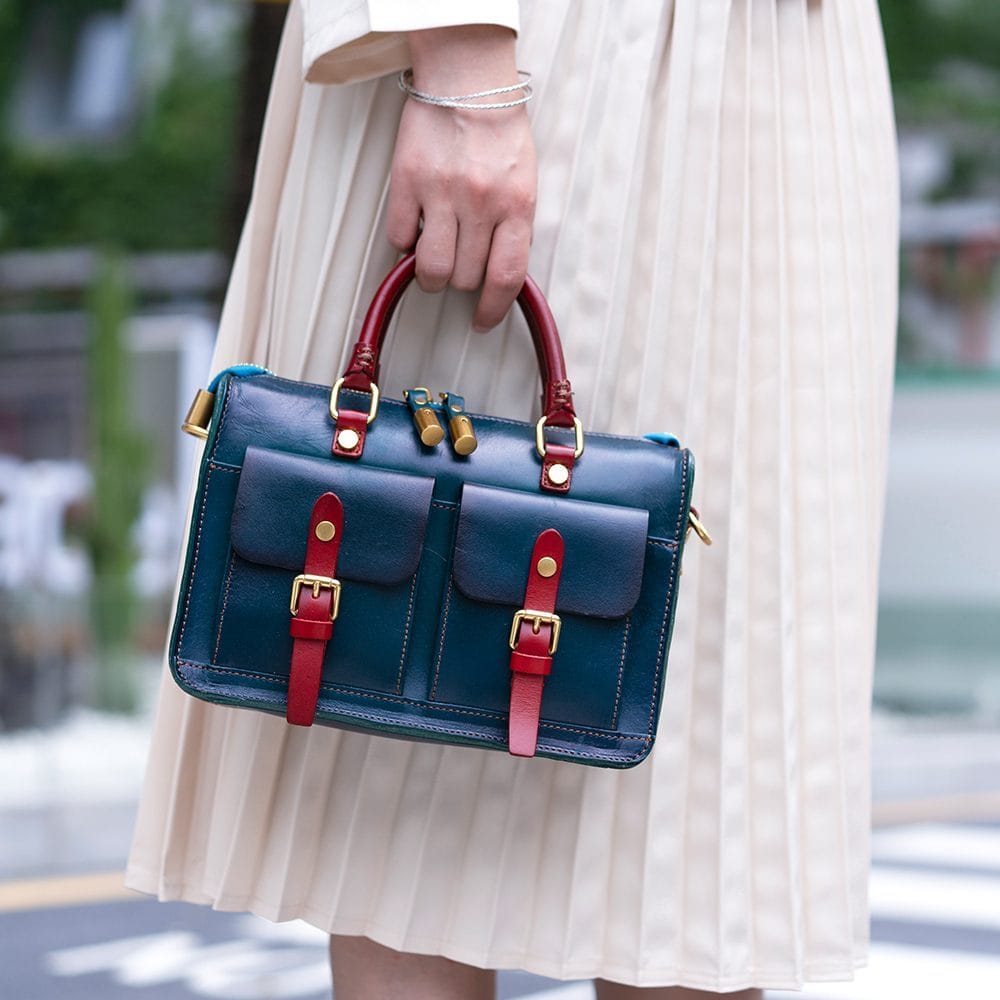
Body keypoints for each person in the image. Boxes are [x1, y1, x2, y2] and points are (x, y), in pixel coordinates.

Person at [126, 1, 900, 997]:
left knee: (701, 814)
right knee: (402, 779)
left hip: (784, 97)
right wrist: (460, 59)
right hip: (541, 63)